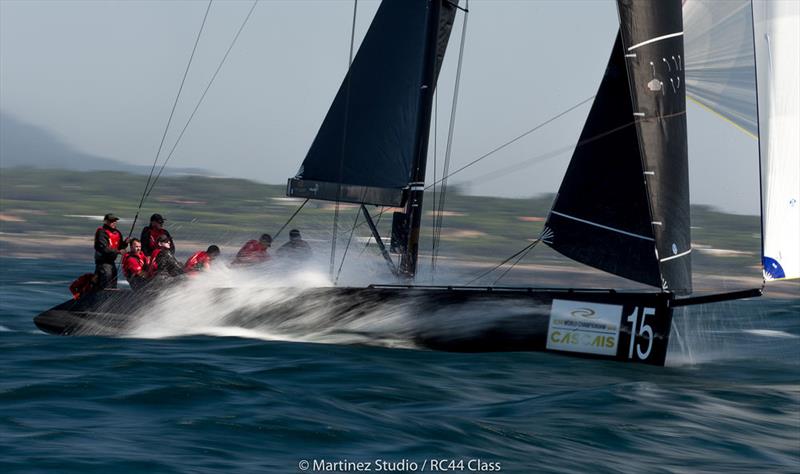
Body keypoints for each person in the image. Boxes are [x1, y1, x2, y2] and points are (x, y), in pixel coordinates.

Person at [94, 213, 128, 289]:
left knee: (113, 281)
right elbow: (103, 248)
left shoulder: (117, 233)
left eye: (115, 221)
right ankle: (102, 297)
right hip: (103, 263)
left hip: (111, 262)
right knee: (106, 281)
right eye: (111, 221)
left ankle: (111, 296)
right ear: (106, 221)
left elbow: (120, 247)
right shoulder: (102, 232)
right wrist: (118, 252)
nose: (113, 222)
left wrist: (125, 243)